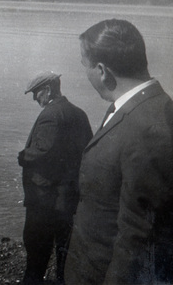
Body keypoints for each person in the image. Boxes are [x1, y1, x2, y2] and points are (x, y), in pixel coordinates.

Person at [65, 19, 173, 285]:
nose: (86, 74)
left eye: (85, 65)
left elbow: (138, 239)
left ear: (102, 71)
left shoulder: (149, 127)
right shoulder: (137, 108)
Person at [18, 71, 93, 284]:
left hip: (45, 197)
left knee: (36, 249)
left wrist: (22, 156)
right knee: (65, 249)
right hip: (69, 195)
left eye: (36, 93)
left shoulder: (50, 114)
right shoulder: (79, 113)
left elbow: (42, 151)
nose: (34, 98)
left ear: (48, 90)